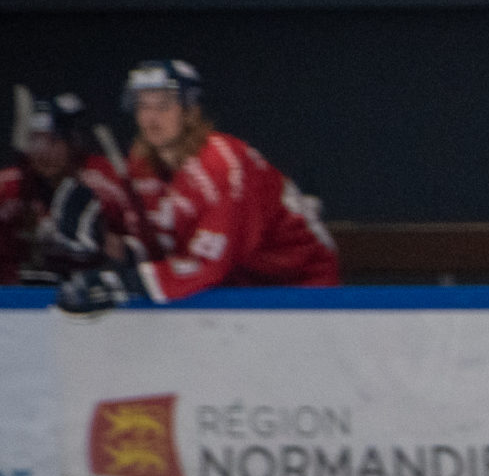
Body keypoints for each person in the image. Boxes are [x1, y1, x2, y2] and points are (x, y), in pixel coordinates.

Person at [56, 60, 336, 313]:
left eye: (163, 106)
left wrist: (120, 284)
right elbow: (161, 250)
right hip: (239, 289)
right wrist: (106, 242)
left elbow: (207, 264)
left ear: (190, 111)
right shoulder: (142, 168)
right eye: (143, 106)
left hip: (302, 287)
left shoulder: (222, 164)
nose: (151, 118)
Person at [1, 92, 135, 284]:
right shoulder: (11, 185)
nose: (44, 153)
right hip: (18, 293)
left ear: (73, 142)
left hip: (95, 288)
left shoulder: (104, 181)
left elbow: (134, 243)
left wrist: (106, 241)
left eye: (54, 141)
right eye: (36, 141)